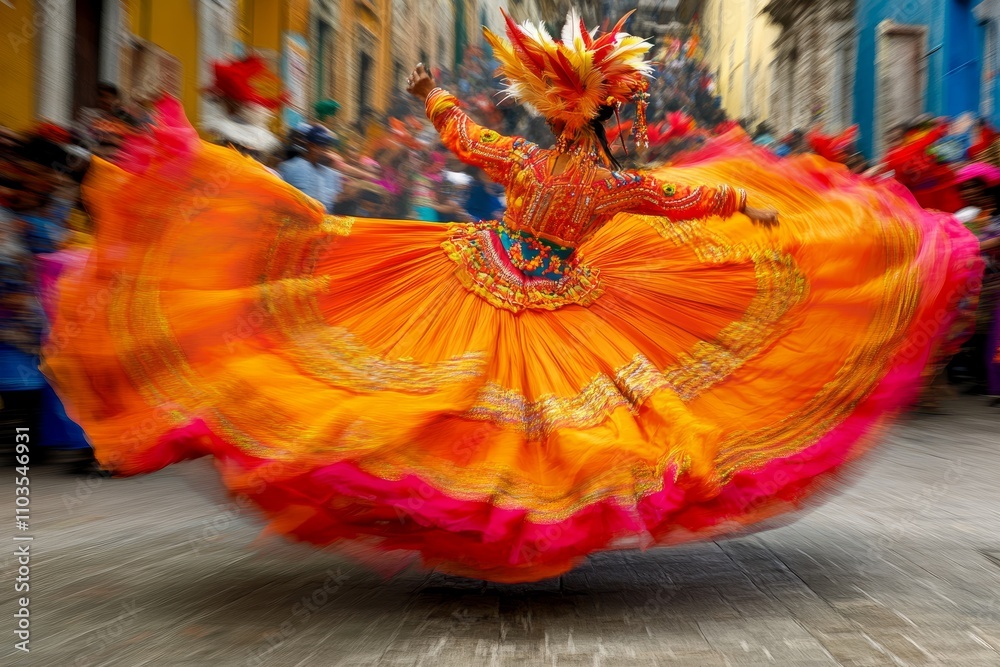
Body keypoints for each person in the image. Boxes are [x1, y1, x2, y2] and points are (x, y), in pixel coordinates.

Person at [44, 9, 980, 583]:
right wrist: (757, 210)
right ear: (605, 118)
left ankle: (450, 519)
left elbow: (466, 140)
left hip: (486, 274)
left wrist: (428, 96)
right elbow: (689, 197)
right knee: (541, 425)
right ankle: (492, 526)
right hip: (558, 292)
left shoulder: (531, 160)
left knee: (415, 387)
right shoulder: (612, 183)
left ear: (560, 111)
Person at [278, 125, 344, 213]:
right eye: (322, 147)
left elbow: (334, 202)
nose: (324, 152)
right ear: (310, 146)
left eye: (326, 148)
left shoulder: (332, 174)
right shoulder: (290, 168)